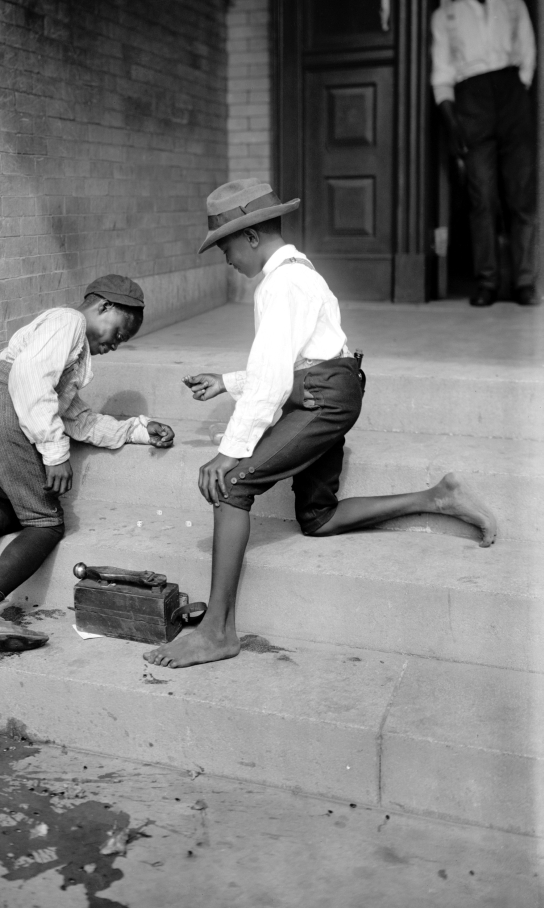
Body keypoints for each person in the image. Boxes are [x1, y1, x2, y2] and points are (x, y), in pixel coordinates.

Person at [144, 179, 497, 669]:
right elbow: (295, 360)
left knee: (230, 486)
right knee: (318, 518)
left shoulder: (280, 283)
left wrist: (230, 450)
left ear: (250, 237)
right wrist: (228, 381)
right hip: (331, 385)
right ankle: (435, 497)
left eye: (225, 245)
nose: (224, 257)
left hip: (323, 397)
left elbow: (276, 376)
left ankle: (218, 631)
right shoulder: (296, 272)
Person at [0, 274, 175, 652]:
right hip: (1, 412)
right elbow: (29, 378)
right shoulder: (69, 321)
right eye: (118, 333)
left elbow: (78, 419)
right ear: (103, 307)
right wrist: (55, 454)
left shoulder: (67, 348)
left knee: (16, 506)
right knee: (46, 524)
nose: (114, 345)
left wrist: (138, 430)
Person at [431, 0, 538, 306]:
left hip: (512, 98)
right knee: (482, 197)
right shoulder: (445, 15)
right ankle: (487, 282)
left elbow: (528, 57)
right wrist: (453, 121)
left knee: (521, 194)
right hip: (471, 101)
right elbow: (442, 74)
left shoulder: (513, 4)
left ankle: (524, 282)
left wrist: (515, 96)